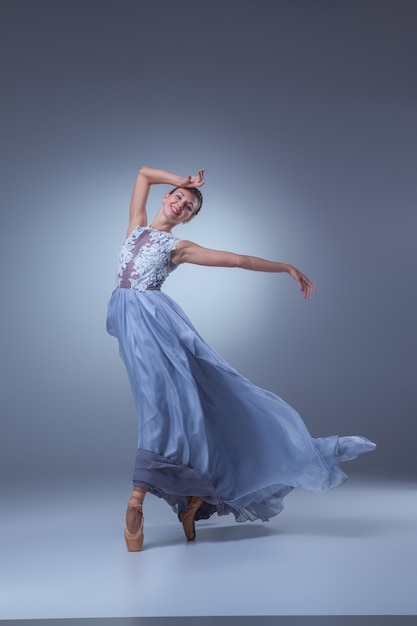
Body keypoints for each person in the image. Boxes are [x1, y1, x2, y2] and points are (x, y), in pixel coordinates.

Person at [106, 165, 376, 552]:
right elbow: (144, 175)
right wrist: (185, 181)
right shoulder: (136, 226)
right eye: (179, 197)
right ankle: (193, 497)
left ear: (190, 219)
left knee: (159, 411)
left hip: (155, 329)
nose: (182, 204)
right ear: (167, 198)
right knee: (178, 412)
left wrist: (285, 267)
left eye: (190, 207)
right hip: (133, 327)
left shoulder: (176, 248)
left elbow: (237, 260)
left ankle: (136, 503)